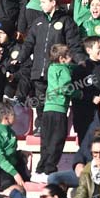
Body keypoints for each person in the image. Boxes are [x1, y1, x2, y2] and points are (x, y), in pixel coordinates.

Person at [18, 0, 84, 116]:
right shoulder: (38, 22)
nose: (40, 5)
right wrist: (19, 59)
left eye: (43, 2)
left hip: (57, 73)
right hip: (38, 72)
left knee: (55, 106)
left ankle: (56, 124)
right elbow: (28, 44)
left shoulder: (67, 21)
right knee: (40, 106)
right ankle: (40, 124)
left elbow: (74, 45)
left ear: (53, 3)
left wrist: (81, 60)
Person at [34, 44, 80, 181]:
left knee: (46, 141)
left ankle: (40, 169)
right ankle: (49, 169)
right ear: (62, 58)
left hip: (48, 109)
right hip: (59, 110)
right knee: (57, 140)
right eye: (69, 56)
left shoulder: (52, 68)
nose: (71, 59)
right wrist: (79, 93)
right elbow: (65, 88)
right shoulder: (64, 70)